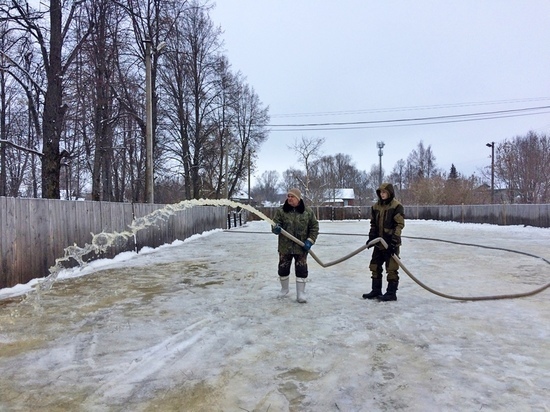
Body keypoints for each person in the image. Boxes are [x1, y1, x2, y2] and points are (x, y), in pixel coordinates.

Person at [271, 188, 319, 303]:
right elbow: (274, 224)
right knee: (283, 269)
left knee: (301, 270)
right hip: (285, 247)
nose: (289, 198)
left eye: (292, 196)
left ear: (298, 198)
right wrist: (276, 228)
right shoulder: (281, 211)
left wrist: (310, 241)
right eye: (288, 196)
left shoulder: (307, 212)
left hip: (301, 247)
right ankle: (284, 289)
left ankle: (301, 293)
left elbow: (314, 227)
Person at [363, 183, 405, 301]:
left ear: (389, 193)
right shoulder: (376, 207)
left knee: (391, 268)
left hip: (391, 243)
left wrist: (394, 241)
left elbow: (399, 225)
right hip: (379, 243)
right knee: (374, 266)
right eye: (380, 192)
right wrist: (371, 237)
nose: (382, 194)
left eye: (384, 192)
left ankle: (391, 293)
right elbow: (373, 224)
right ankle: (376, 290)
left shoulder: (397, 206)